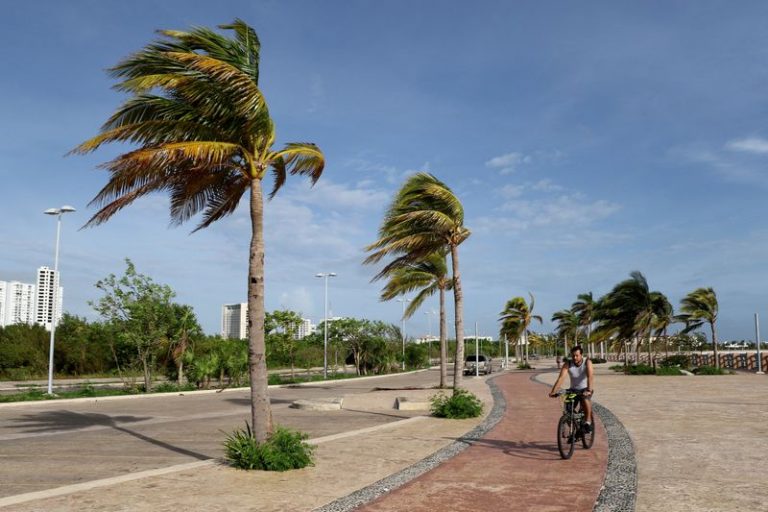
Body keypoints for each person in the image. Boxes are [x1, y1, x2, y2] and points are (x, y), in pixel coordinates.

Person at [549, 345, 594, 433]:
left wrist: (589, 390)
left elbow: (590, 377)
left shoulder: (587, 362)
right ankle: (574, 429)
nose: (574, 357)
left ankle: (588, 422)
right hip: (573, 389)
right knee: (568, 410)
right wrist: (553, 391)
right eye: (573, 355)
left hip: (585, 389)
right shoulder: (568, 364)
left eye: (577, 355)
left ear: (581, 355)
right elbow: (561, 378)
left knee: (585, 400)